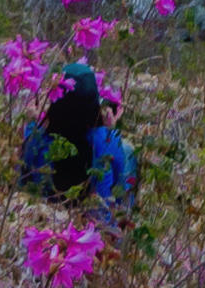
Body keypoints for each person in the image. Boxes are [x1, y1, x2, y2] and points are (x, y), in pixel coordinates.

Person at [22, 61, 133, 208]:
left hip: (45, 211)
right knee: (127, 150)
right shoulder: (105, 140)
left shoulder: (38, 138)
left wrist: (32, 122)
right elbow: (118, 178)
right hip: (96, 218)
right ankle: (126, 211)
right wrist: (110, 131)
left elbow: (25, 165)